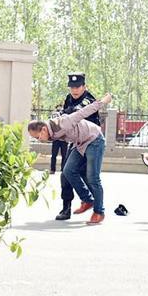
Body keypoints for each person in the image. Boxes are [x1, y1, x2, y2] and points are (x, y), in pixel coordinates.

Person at [28, 93, 112, 224]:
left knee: (93, 177)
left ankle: (99, 212)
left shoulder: (62, 123)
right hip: (79, 143)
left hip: (94, 139)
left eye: (38, 137)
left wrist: (103, 102)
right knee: (68, 171)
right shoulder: (50, 130)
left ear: (43, 130)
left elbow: (82, 113)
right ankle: (88, 200)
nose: (39, 140)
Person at [56, 73, 101, 220]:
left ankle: (97, 208)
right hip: (76, 142)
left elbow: (76, 112)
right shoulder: (69, 98)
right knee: (66, 174)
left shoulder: (89, 99)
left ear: (84, 87)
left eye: (77, 87)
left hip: (92, 141)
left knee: (89, 177)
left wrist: (64, 113)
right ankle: (66, 208)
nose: (74, 90)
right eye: (72, 87)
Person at [50, 105, 68, 174]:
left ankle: (63, 169)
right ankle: (52, 169)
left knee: (64, 155)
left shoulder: (66, 115)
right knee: (54, 155)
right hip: (56, 139)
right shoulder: (55, 114)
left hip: (64, 139)